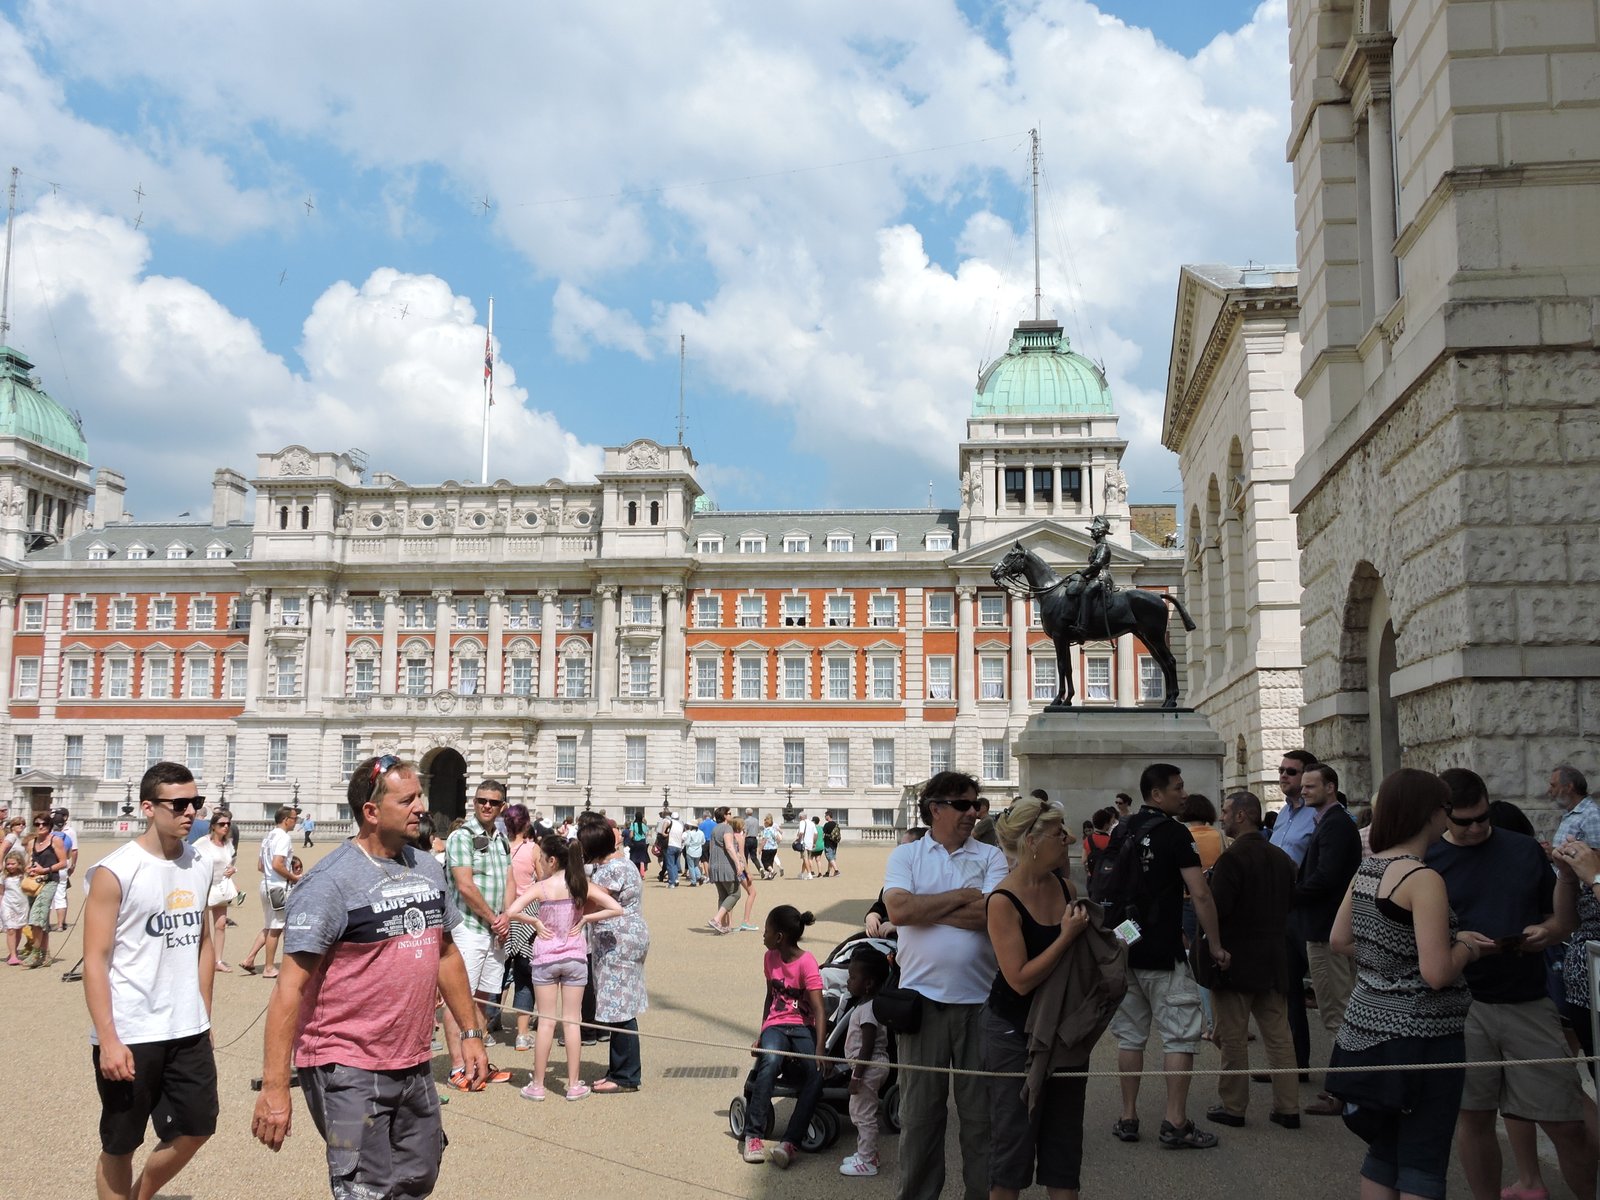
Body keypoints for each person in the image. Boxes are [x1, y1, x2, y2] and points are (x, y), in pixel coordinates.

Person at [252, 755, 489, 1195]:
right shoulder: (329, 882)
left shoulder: (427, 867)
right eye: (409, 799)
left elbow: (446, 953)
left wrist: (471, 1032)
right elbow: (289, 990)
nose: (422, 805)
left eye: (420, 795)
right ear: (372, 812)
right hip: (346, 1067)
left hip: (414, 1061)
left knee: (420, 1175)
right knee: (365, 1187)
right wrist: (274, 1087)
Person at [1427, 768, 1594, 1200]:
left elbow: (1561, 920)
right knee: (1474, 1116)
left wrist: (1549, 930)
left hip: (1526, 998)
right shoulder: (1428, 859)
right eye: (1464, 822)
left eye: (1483, 817)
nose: (1478, 827)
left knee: (1566, 1121)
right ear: (1443, 816)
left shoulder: (1520, 849)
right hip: (1461, 1003)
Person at [1327, 768, 1493, 1200]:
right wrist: (1467, 947)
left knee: (1384, 1153)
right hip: (1423, 1037)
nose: (1449, 817)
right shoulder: (1422, 879)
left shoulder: (1369, 868)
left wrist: (1384, 963)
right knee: (1423, 1159)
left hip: (1365, 1029)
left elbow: (1340, 939)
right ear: (1429, 813)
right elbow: (1437, 971)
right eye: (1445, 808)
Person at [84, 762, 217, 1200]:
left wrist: (204, 1015)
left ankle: (141, 1194)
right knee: (120, 1143)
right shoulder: (115, 870)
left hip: (187, 1027)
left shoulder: (200, 863)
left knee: (198, 1126)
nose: (190, 812)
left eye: (195, 803)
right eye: (178, 804)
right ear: (148, 807)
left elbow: (202, 945)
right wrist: (108, 1038)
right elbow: (95, 960)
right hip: (131, 1027)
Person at [883, 771, 1008, 1200]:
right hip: (922, 1004)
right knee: (919, 1118)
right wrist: (964, 895)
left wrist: (926, 907)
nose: (974, 812)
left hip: (980, 1005)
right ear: (935, 808)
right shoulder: (907, 855)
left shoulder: (992, 856)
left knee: (981, 1120)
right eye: (964, 804)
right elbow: (897, 910)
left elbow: (992, 917)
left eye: (976, 804)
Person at [1108, 763, 1229, 1150]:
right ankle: (1175, 1121)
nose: (1185, 793)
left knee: (1130, 1035)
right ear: (1157, 794)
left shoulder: (1122, 828)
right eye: (1178, 787)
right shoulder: (1175, 833)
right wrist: (1213, 944)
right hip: (1163, 948)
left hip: (1125, 943)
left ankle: (1128, 1116)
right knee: (1178, 1034)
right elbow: (1201, 893)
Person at [984, 796, 1093, 1199]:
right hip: (1014, 1029)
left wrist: (1125, 939)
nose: (1066, 838)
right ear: (1031, 840)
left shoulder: (1067, 886)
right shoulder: (1001, 900)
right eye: (1057, 832)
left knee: (1065, 1145)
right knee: (1012, 1143)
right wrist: (1066, 937)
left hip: (1064, 1028)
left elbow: (1095, 943)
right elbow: (1019, 980)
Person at [1196, 790, 1300, 1130]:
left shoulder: (1232, 860)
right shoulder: (1280, 857)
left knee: (1233, 1036)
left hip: (1236, 960)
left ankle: (1234, 1105)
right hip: (1273, 957)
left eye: (1226, 811)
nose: (1221, 817)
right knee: (1279, 1036)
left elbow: (1219, 908)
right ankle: (1288, 1106)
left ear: (1242, 815)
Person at [506, 834, 622, 1102]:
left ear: (551, 860)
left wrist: (534, 922)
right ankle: (572, 1084)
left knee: (546, 1021)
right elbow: (616, 908)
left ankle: (537, 1085)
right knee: (572, 1022)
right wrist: (586, 919)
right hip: (574, 956)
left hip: (546, 957)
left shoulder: (543, 887)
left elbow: (511, 911)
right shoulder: (580, 885)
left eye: (541, 859)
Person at [1292, 762, 1362, 1117]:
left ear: (1331, 787)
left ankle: (1347, 1092)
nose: (1303, 791)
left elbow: (1327, 876)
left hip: (1326, 928)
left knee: (1337, 1010)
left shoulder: (1335, 824)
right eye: (1302, 786)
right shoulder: (1331, 822)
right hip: (1327, 925)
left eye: (1310, 786)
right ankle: (1344, 1085)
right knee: (1340, 1007)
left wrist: (1291, 894)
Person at [440, 780, 514, 1092]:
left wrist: (507, 916)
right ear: (474, 801)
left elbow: (509, 879)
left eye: (493, 802)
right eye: (482, 800)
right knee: (459, 999)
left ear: (502, 807)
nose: (486, 806)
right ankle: (458, 1066)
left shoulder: (501, 838)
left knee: (483, 997)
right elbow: (464, 885)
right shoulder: (461, 837)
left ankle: (477, 1060)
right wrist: (494, 918)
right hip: (469, 928)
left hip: (494, 929)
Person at [740, 904, 827, 1170]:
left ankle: (790, 1142)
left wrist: (820, 1049)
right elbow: (770, 997)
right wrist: (762, 1032)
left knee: (816, 1073)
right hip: (776, 1025)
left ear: (779, 937)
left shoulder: (807, 962)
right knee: (770, 1062)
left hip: (802, 1026)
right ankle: (753, 1134)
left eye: (766, 931)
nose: (762, 936)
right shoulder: (770, 958)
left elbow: (819, 1010)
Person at [580, 819, 650, 1093]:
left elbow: (589, 901)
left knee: (620, 1007)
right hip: (627, 936)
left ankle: (625, 1075)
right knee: (622, 1005)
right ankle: (619, 1069)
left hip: (617, 939)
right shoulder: (622, 862)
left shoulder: (610, 870)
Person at [1268, 747, 1320, 1079]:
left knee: (1329, 996)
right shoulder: (1283, 814)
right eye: (1282, 770)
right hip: (1281, 910)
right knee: (1287, 990)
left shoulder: (1319, 815)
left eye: (1291, 771)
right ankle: (1294, 1063)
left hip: (1311, 911)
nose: (1284, 776)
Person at [839, 945, 893, 1178]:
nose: (849, 981)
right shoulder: (867, 1004)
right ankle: (867, 1153)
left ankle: (867, 1160)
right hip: (871, 1066)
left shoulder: (869, 1009)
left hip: (869, 1068)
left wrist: (857, 1076)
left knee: (862, 1114)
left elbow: (868, 1046)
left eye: (852, 977)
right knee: (862, 1111)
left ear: (869, 983)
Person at [238, 806, 301, 978]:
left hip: (266, 884)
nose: (296, 821)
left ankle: (249, 959)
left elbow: (261, 866)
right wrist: (295, 878)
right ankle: (269, 967)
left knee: (269, 925)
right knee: (276, 928)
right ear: (286, 819)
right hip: (278, 887)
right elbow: (277, 864)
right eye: (294, 818)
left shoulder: (268, 837)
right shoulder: (283, 837)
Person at [503, 803, 540, 1052]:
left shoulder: (499, 846)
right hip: (526, 914)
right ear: (526, 824)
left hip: (503, 912)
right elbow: (544, 880)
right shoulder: (533, 848)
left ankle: (487, 1024)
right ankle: (522, 1034)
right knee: (524, 976)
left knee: (499, 973)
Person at [193, 811, 238, 972]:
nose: (226, 827)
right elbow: (190, 859)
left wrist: (233, 869)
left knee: (220, 925)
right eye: (221, 824)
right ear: (213, 826)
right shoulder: (203, 843)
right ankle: (198, 958)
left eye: (228, 824)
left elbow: (232, 862)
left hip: (221, 887)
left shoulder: (228, 843)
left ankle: (217, 960)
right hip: (204, 887)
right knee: (201, 926)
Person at [22, 809, 68, 967]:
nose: (40, 826)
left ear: (50, 825)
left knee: (36, 917)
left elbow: (64, 863)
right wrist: (29, 868)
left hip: (50, 881)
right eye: (37, 824)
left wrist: (46, 870)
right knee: (42, 920)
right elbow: (30, 860)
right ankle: (45, 954)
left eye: (44, 824)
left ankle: (35, 953)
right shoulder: (31, 842)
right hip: (35, 882)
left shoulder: (56, 841)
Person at [708, 807, 746, 935]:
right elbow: (730, 847)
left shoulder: (714, 829)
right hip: (726, 865)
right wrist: (738, 864)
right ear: (724, 816)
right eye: (729, 813)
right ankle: (717, 919)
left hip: (715, 865)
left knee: (723, 896)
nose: (731, 815)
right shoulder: (727, 828)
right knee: (735, 894)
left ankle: (722, 925)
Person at [49, 807, 79, 932]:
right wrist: (71, 864)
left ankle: (48, 923)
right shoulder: (66, 836)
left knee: (49, 896)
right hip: (63, 865)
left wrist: (73, 865)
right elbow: (72, 850)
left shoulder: (49, 836)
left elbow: (74, 851)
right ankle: (60, 924)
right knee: (60, 895)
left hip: (51, 865)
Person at [732, 816, 760, 931]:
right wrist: (748, 872)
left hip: (731, 867)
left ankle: (729, 923)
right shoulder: (740, 837)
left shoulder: (730, 836)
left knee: (731, 895)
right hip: (740, 868)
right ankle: (746, 921)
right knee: (752, 892)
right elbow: (743, 856)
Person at [2, 849, 28, 963]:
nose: (10, 866)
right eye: (8, 864)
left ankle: (14, 951)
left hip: (22, 905)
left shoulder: (23, 876)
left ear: (19, 864)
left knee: (18, 929)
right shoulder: (3, 877)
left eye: (13, 864)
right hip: (7, 905)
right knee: (11, 929)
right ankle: (13, 955)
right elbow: (1, 892)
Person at [626, 811, 651, 877]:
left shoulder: (633, 825)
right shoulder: (644, 825)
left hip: (635, 843)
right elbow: (647, 834)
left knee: (634, 858)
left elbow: (631, 835)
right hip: (642, 842)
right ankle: (642, 873)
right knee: (642, 858)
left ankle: (635, 873)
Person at [683, 818, 706, 886]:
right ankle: (699, 876)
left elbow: (687, 843)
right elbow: (703, 842)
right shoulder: (701, 832)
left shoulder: (690, 833)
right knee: (695, 865)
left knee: (691, 866)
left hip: (690, 851)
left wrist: (685, 843)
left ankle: (693, 881)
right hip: (698, 851)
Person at [759, 814, 781, 880]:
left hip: (767, 848)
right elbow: (779, 838)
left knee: (764, 861)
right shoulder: (773, 830)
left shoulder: (766, 830)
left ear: (766, 823)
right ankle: (770, 875)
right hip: (774, 848)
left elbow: (764, 840)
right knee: (770, 861)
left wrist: (760, 848)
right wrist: (775, 843)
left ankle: (772, 871)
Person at [821, 811, 843, 876]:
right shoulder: (835, 824)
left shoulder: (827, 825)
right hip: (834, 842)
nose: (825, 817)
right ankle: (828, 872)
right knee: (832, 857)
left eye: (825, 816)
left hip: (828, 842)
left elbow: (823, 833)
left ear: (828, 816)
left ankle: (836, 871)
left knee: (829, 857)